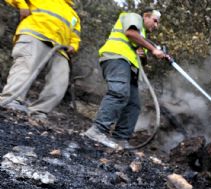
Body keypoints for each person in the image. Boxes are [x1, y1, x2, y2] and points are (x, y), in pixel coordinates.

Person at [84, 9, 168, 150]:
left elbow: (143, 60)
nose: (156, 25)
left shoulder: (143, 36)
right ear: (146, 16)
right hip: (117, 57)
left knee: (133, 105)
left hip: (131, 67)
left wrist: (143, 54)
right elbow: (130, 33)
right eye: (155, 20)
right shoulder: (133, 17)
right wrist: (153, 49)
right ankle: (97, 131)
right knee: (119, 92)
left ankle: (120, 139)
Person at [0, 0, 81, 120]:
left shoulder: (73, 14)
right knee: (25, 68)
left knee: (59, 82)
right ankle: (10, 101)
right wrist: (22, 5)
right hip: (35, 35)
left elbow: (75, 35)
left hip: (59, 48)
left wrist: (74, 45)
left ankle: (38, 112)